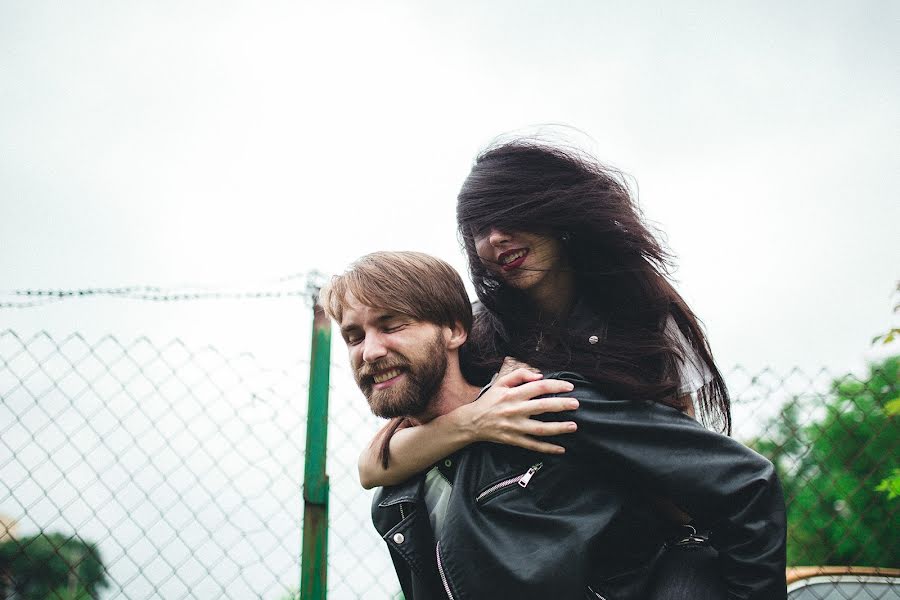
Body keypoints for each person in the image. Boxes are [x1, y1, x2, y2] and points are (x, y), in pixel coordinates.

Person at [321, 250, 787, 600]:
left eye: (393, 325)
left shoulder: (546, 404)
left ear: (454, 331)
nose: (371, 351)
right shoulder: (397, 498)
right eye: (354, 336)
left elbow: (744, 482)